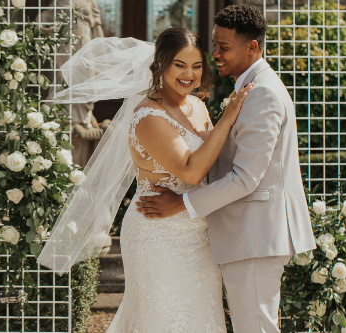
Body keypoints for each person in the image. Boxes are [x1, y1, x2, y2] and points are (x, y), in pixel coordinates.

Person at [38, 27, 252, 332]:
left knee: (201, 318)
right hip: (158, 233)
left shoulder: (198, 106)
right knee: (162, 318)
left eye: (196, 66)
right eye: (179, 65)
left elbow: (213, 161)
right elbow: (191, 170)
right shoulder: (149, 117)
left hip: (199, 233)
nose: (189, 75)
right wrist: (229, 117)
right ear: (160, 66)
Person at [135, 4, 317, 333]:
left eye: (224, 47)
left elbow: (246, 178)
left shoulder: (261, 93)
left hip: (255, 234)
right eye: (214, 45)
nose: (215, 54)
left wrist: (182, 203)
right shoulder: (245, 89)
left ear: (252, 47)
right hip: (243, 235)